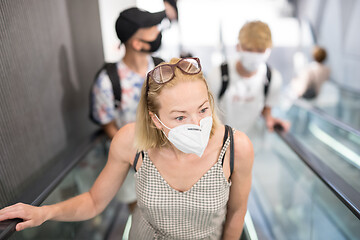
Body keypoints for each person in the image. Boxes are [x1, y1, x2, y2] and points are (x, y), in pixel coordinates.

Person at [0, 57, 254, 239]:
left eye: (202, 109)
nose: (197, 124)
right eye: (179, 117)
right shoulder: (131, 142)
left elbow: (236, 212)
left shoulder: (236, 147)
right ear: (155, 119)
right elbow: (94, 201)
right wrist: (45, 212)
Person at [90, 7, 171, 211]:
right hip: (132, 167)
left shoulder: (163, 69)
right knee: (139, 214)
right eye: (151, 27)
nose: (157, 31)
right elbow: (108, 125)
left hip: (168, 159)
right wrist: (134, 156)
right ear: (136, 43)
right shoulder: (107, 82)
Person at [207, 20, 290, 134]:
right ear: (238, 47)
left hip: (254, 145)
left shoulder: (272, 79)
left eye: (260, 50)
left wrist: (271, 120)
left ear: (269, 50)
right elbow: (207, 113)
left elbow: (267, 111)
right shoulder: (218, 75)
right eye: (249, 49)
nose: (254, 55)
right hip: (223, 144)